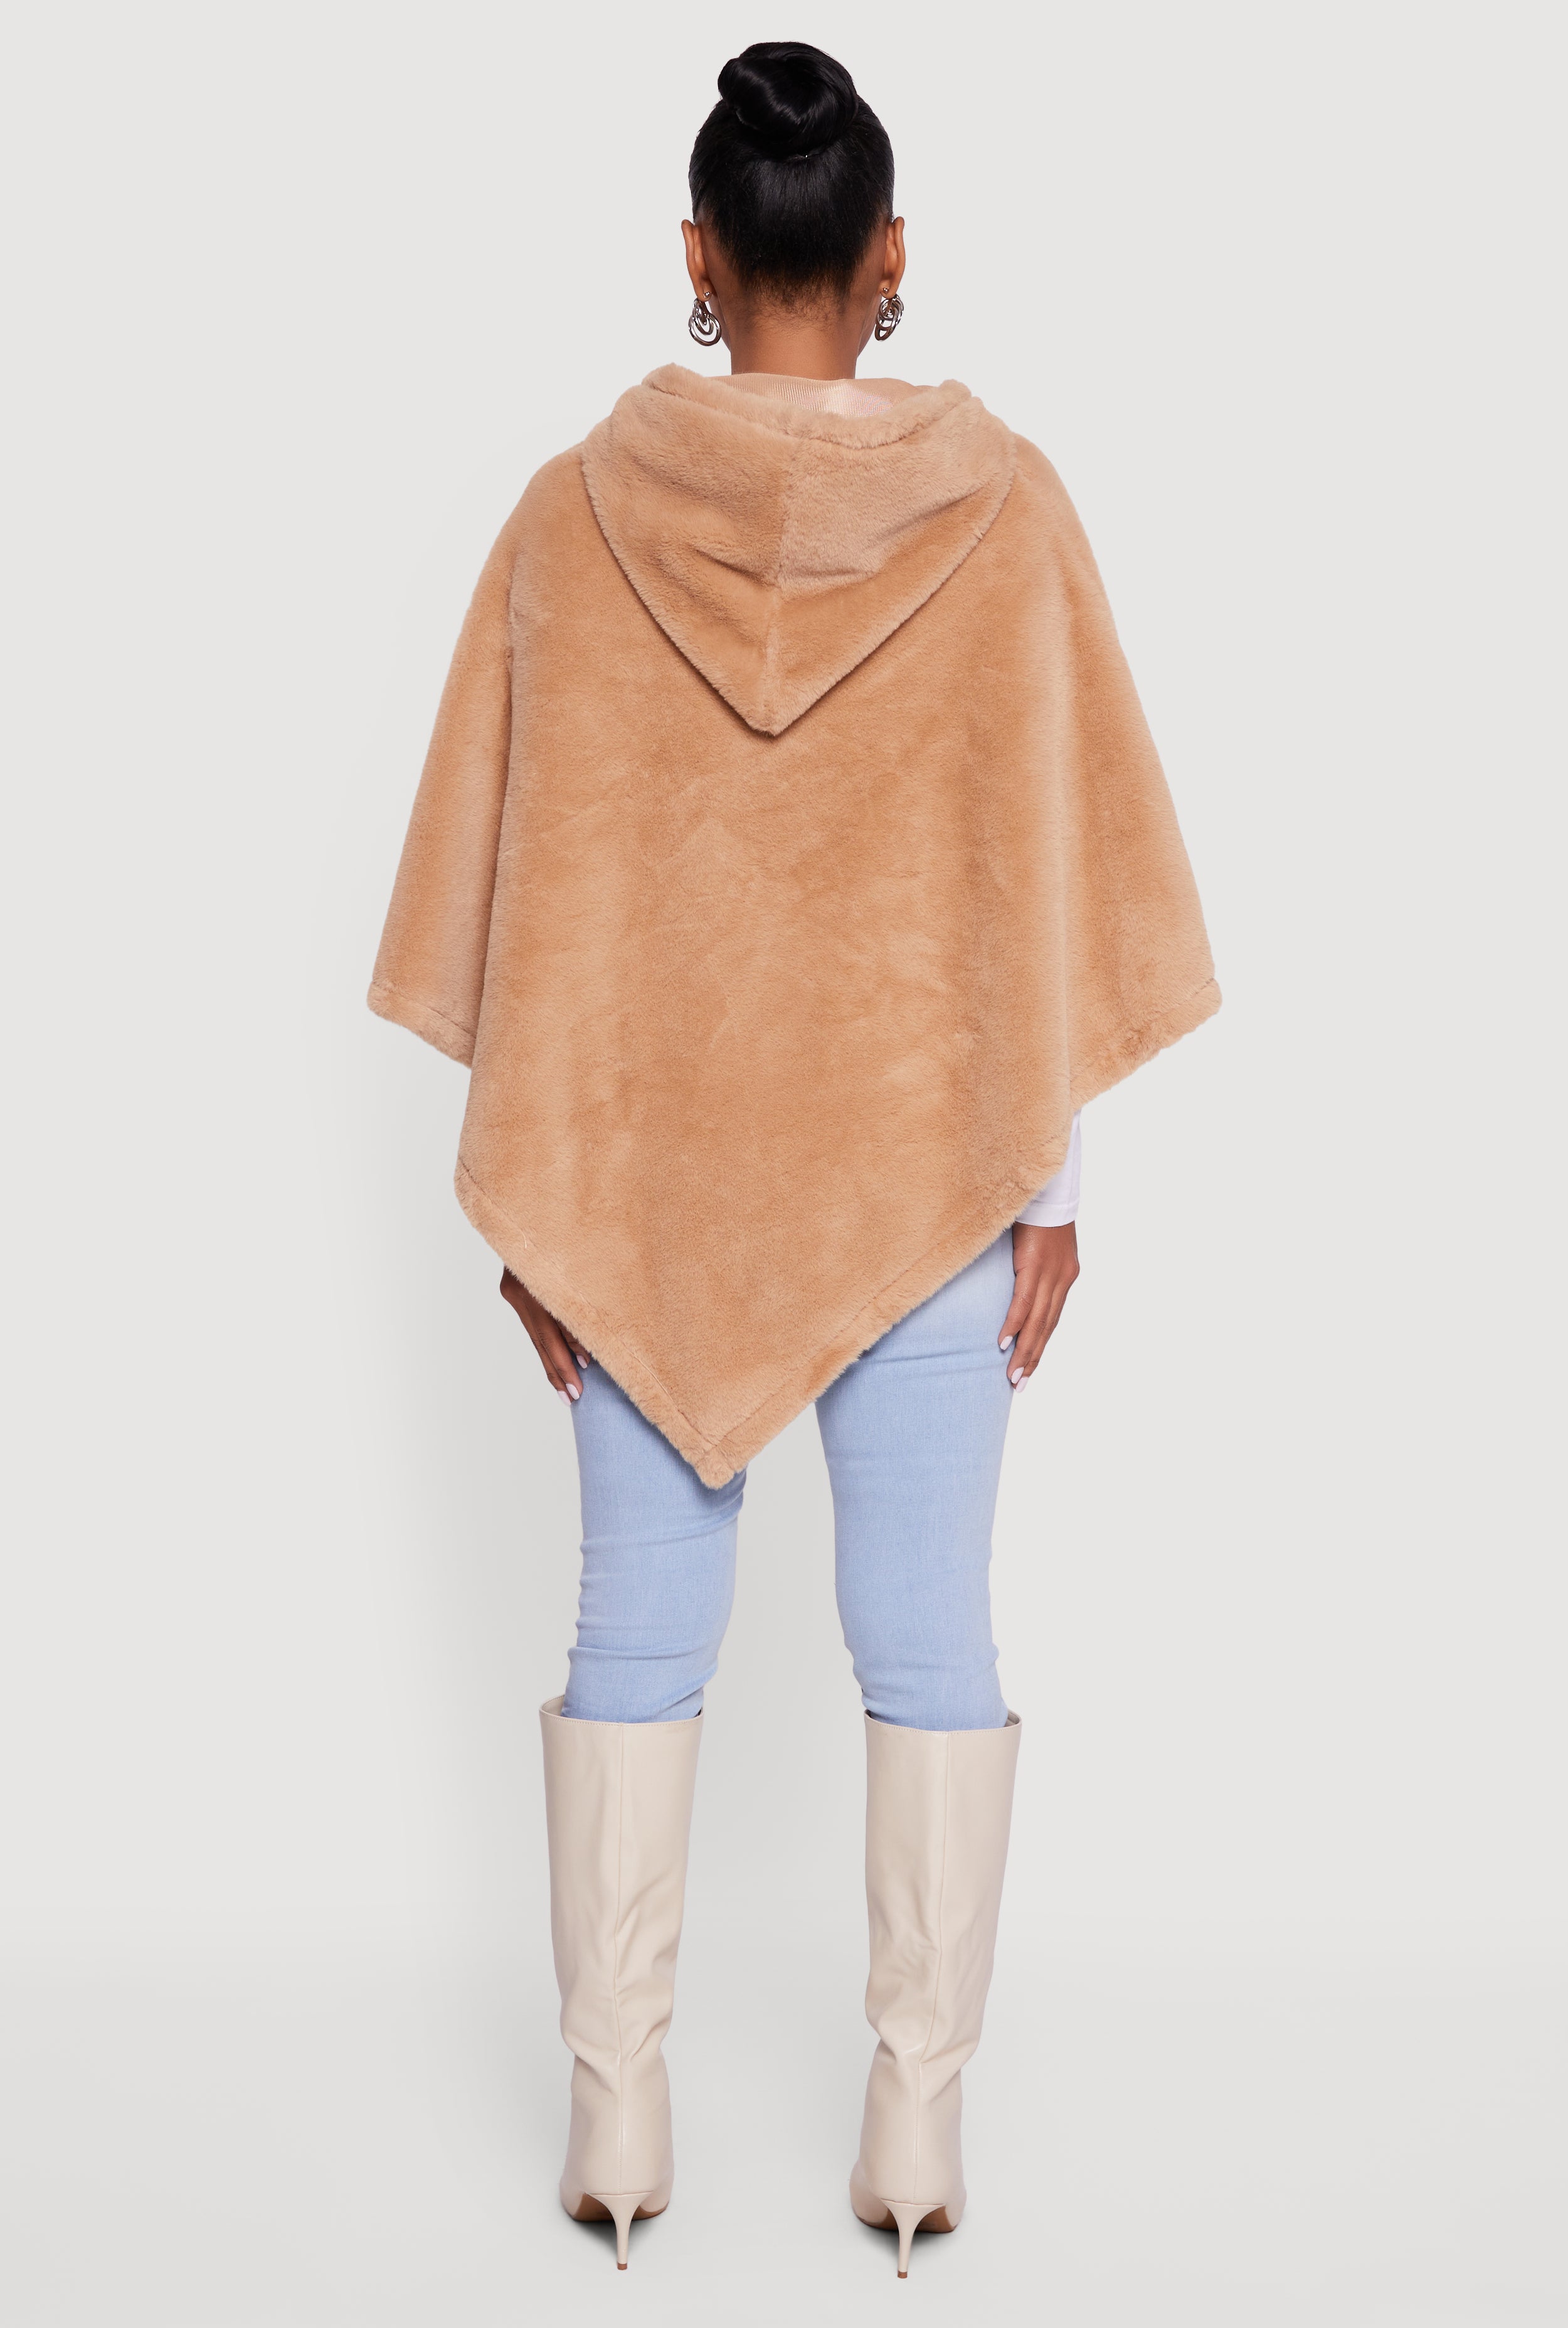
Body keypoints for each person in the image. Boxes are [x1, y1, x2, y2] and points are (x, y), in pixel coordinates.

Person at [369, 40, 1218, 2277]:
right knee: (926, 1625)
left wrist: (542, 1192)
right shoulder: (1007, 509)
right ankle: (916, 2133)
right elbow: (1042, 873)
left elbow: (533, 886)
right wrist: (1044, 1189)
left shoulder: (567, 516)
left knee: (633, 1624)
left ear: (693, 252)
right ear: (892, 254)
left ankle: (615, 2124)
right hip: (932, 1168)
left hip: (643, 1185)